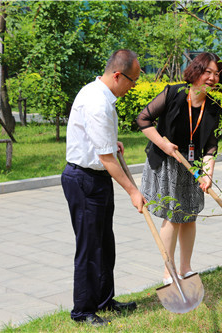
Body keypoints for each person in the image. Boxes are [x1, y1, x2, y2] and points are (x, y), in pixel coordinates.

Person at [61, 49, 145, 327]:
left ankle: (104, 300)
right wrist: (134, 192)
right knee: (89, 247)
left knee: (105, 244)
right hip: (84, 180)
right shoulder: (97, 101)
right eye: (132, 81)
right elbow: (107, 159)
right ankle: (83, 311)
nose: (132, 87)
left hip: (96, 178)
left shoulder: (99, 93)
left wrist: (112, 141)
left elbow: (101, 145)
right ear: (118, 75)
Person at [136, 52, 222, 285]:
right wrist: (164, 144)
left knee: (189, 217)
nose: (212, 77)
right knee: (173, 215)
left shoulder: (214, 108)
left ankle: (186, 268)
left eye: (216, 73)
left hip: (193, 167)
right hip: (167, 162)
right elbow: (143, 120)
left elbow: (210, 148)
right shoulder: (174, 93)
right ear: (196, 71)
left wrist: (207, 175)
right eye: (207, 71)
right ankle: (169, 272)